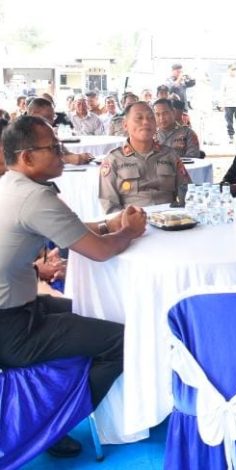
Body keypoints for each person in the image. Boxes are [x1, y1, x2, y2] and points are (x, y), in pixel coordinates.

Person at [0, 115, 147, 457]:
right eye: (53, 148)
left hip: (21, 308)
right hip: (11, 328)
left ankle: (55, 411)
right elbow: (100, 251)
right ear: (27, 157)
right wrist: (128, 232)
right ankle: (53, 425)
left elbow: (73, 229)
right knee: (123, 341)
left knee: (90, 308)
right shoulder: (34, 197)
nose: (61, 153)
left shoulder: (11, 185)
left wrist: (111, 224)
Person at [99, 102, 191, 213]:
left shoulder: (170, 155)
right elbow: (109, 205)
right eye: (139, 118)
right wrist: (126, 220)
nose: (146, 122)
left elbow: (188, 191)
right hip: (132, 220)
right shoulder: (113, 160)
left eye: (151, 118)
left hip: (170, 219)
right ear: (125, 125)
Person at [26, 98, 94, 165]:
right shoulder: (24, 132)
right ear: (33, 115)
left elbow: (63, 152)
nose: (52, 122)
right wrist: (68, 159)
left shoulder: (48, 133)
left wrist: (80, 157)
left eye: (53, 117)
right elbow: (34, 158)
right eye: (47, 117)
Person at [220, 64, 236, 144]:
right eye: (232, 69)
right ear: (228, 70)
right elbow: (222, 92)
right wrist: (222, 104)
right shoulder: (225, 79)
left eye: (235, 69)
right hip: (228, 104)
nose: (233, 71)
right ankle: (231, 136)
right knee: (229, 122)